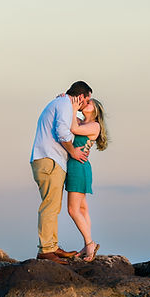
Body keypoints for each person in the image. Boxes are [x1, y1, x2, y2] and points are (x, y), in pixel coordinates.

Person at [30, 81, 93, 265]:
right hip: (49, 160)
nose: (84, 106)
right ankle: (46, 250)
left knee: (53, 206)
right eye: (86, 100)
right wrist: (73, 151)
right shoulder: (65, 104)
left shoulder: (61, 103)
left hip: (47, 160)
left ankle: (52, 246)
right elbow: (62, 132)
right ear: (80, 96)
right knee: (50, 206)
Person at [65, 97, 108, 261]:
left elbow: (73, 128)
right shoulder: (83, 122)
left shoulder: (94, 125)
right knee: (82, 209)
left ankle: (90, 244)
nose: (85, 103)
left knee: (72, 210)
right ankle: (87, 244)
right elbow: (69, 116)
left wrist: (74, 108)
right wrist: (66, 101)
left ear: (95, 110)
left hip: (79, 168)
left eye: (89, 103)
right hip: (79, 167)